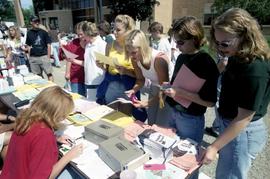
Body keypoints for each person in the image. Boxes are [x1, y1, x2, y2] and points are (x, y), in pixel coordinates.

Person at [201, 8, 270, 179]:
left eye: (225, 43)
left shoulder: (255, 68)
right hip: (230, 125)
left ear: (245, 37)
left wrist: (214, 146)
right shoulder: (236, 56)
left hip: (243, 130)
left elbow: (245, 117)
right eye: (217, 42)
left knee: (229, 176)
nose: (219, 47)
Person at [0, 86, 83, 178]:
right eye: (64, 114)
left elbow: (31, 139)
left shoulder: (26, 118)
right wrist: (69, 156)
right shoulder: (44, 136)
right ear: (57, 114)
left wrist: (55, 138)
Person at [125, 29, 172, 126]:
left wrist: (146, 103)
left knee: (161, 125)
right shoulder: (135, 59)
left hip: (169, 91)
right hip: (155, 87)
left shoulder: (159, 59)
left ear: (143, 47)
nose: (130, 56)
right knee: (151, 121)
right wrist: (133, 90)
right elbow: (140, 79)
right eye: (128, 52)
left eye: (133, 52)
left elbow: (165, 89)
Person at [61, 21, 87, 96]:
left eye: (81, 34)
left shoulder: (90, 43)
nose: (79, 36)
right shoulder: (74, 42)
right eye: (78, 34)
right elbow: (69, 58)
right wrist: (67, 73)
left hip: (88, 77)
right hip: (75, 77)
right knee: (77, 98)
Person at [82, 22, 107, 101]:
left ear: (87, 33)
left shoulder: (102, 44)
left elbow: (106, 65)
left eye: (83, 34)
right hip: (88, 81)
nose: (82, 37)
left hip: (98, 81)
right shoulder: (88, 45)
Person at [25, 15, 54, 81]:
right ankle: (43, 89)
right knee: (38, 76)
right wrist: (30, 57)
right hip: (33, 58)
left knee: (49, 74)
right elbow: (28, 45)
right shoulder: (29, 33)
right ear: (31, 22)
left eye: (38, 21)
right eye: (35, 21)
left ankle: (51, 89)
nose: (37, 23)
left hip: (44, 56)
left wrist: (48, 57)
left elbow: (49, 45)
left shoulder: (43, 32)